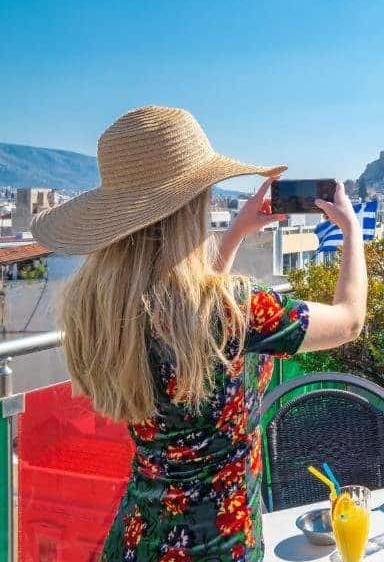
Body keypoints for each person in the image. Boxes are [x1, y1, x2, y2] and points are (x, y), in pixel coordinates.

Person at [31, 105, 367, 562]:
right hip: (220, 546)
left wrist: (235, 235)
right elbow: (349, 320)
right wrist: (351, 231)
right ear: (193, 206)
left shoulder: (100, 306)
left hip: (136, 539)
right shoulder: (236, 308)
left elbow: (193, 316)